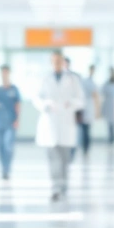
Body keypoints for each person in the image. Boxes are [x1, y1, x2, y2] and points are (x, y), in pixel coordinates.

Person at [35, 50, 85, 201]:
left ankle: (63, 186)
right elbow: (36, 97)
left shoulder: (73, 79)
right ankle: (55, 187)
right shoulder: (44, 78)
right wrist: (45, 104)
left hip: (66, 122)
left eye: (59, 61)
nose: (57, 63)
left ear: (63, 62)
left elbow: (81, 100)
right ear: (51, 62)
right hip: (49, 123)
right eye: (54, 61)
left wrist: (70, 104)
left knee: (64, 159)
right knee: (53, 158)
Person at [0, 65, 21, 180]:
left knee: (8, 146)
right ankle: (3, 168)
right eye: (3, 73)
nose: (4, 74)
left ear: (9, 73)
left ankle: (7, 168)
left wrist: (17, 119)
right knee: (0, 146)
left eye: (6, 72)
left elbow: (18, 104)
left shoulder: (14, 89)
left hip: (10, 122)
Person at [78, 65, 99, 156]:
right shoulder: (89, 82)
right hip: (86, 107)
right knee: (85, 129)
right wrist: (98, 110)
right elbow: (95, 96)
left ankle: (84, 147)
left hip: (85, 107)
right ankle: (85, 147)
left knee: (84, 129)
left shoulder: (85, 81)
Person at [101, 68, 114, 144]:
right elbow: (102, 94)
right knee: (109, 124)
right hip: (108, 105)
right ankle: (111, 139)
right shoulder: (106, 84)